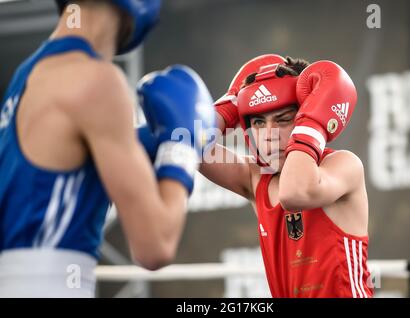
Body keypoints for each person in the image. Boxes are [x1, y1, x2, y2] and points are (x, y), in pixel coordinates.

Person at [0, 0, 215, 297]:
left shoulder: (28, 75)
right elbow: (155, 245)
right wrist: (183, 144)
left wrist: (141, 146)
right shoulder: (97, 80)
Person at [200, 55, 373, 297]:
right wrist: (228, 107)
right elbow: (190, 145)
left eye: (283, 120)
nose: (269, 134)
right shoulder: (256, 179)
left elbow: (295, 193)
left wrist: (314, 124)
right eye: (259, 122)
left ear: (306, 115)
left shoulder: (343, 165)